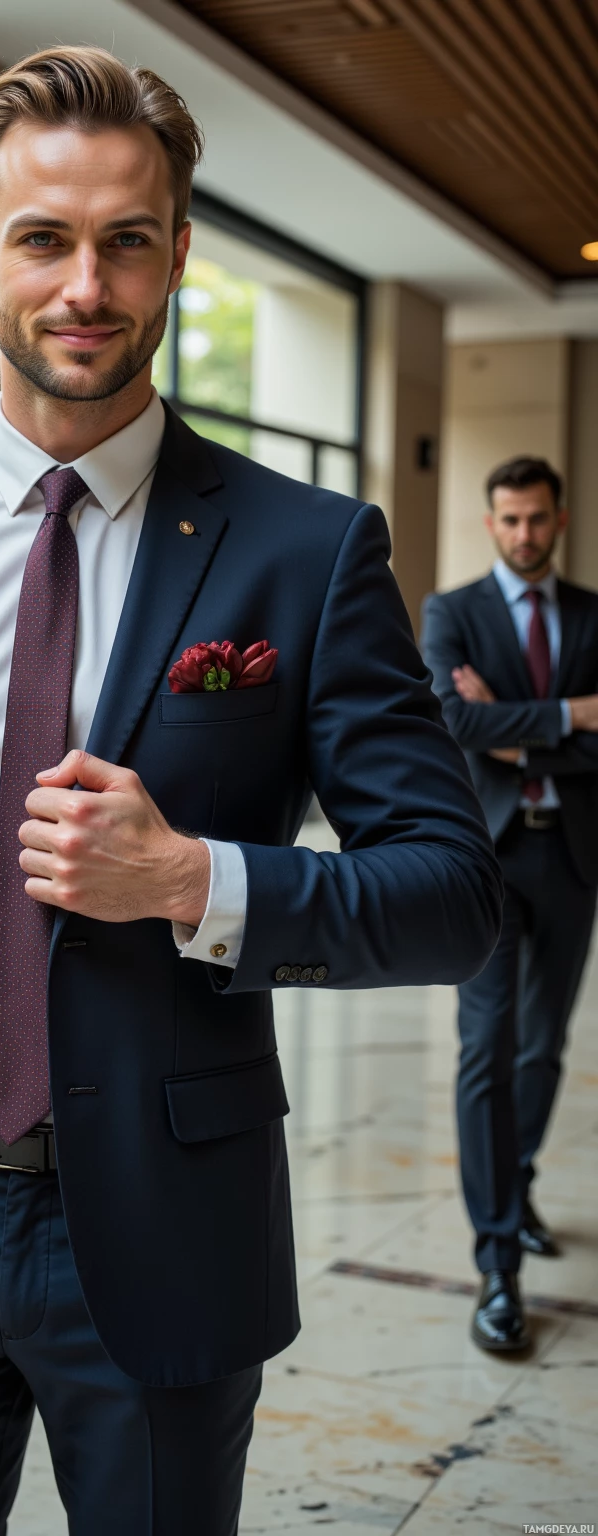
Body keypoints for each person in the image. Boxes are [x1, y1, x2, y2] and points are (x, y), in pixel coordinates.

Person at [0, 47, 500, 1536]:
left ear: (178, 255)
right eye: (44, 238)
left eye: (126, 240)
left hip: (165, 1228)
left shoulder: (307, 549)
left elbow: (452, 896)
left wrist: (195, 882)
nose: (85, 285)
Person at [421, 456, 598, 1355]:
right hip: (485, 864)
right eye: (510, 519)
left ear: (559, 519)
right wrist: (573, 716)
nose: (525, 533)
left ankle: (516, 1181)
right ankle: (498, 1266)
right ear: (491, 523)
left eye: (538, 518)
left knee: (544, 1045)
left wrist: (514, 725)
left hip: (570, 858)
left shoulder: (596, 614)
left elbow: (492, 727)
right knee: (485, 1048)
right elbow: (453, 725)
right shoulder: (451, 614)